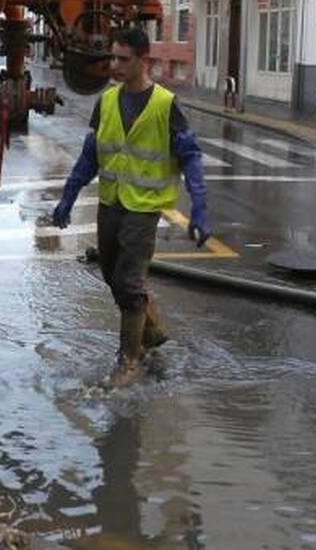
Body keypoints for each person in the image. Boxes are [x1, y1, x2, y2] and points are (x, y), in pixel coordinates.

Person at [51, 27, 211, 386]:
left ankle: (129, 361)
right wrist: (68, 195)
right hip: (111, 202)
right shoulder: (107, 101)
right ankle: (150, 329)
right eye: (113, 57)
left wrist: (199, 209)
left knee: (128, 281)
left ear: (144, 61)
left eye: (123, 59)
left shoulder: (165, 105)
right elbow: (90, 155)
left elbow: (190, 157)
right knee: (112, 276)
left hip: (144, 208)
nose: (114, 65)